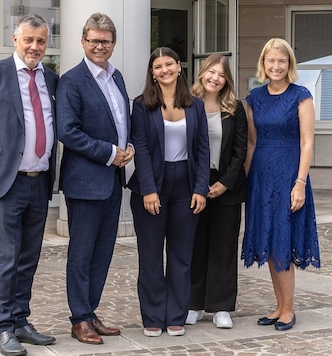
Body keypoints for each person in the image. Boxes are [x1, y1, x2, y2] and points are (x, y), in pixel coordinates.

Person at [0, 14, 58, 356]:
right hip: (6, 184)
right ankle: (3, 327)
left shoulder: (51, 78)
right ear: (15, 40)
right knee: (6, 257)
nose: (35, 47)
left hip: (39, 181)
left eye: (41, 41)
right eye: (29, 39)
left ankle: (20, 320)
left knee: (29, 258)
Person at [56, 12, 132, 346]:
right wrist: (109, 151)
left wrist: (127, 147)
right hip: (85, 182)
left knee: (103, 252)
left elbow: (121, 123)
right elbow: (68, 132)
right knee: (83, 252)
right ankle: (79, 318)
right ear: (83, 42)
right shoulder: (71, 81)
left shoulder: (117, 79)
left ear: (113, 44)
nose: (100, 45)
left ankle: (91, 311)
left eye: (105, 41)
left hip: (113, 180)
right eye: (94, 40)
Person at [127, 47, 210, 337]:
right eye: (158, 66)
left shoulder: (195, 105)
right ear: (152, 72)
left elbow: (202, 149)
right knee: (150, 256)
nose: (164, 70)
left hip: (186, 185)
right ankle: (152, 317)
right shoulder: (141, 106)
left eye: (169, 64)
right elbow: (142, 149)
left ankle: (175, 315)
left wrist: (201, 188)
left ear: (179, 67)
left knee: (181, 256)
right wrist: (149, 190)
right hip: (152, 185)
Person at [241, 38, 321, 332]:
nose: (276, 66)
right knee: (271, 243)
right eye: (271, 61)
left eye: (282, 61)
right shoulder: (254, 98)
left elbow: (308, 142)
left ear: (290, 65)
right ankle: (279, 305)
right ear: (263, 64)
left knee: (282, 242)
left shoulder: (301, 96)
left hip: (289, 175)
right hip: (261, 178)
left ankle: (288, 309)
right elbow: (251, 142)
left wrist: (299, 182)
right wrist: (247, 180)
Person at [186, 54, 247, 329]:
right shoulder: (187, 104)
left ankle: (221, 306)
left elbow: (240, 151)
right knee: (195, 245)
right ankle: (194, 304)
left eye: (221, 74)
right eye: (211, 72)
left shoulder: (235, 108)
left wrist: (225, 183)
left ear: (227, 80)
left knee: (223, 246)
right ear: (202, 73)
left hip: (226, 184)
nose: (215, 78)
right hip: (194, 184)